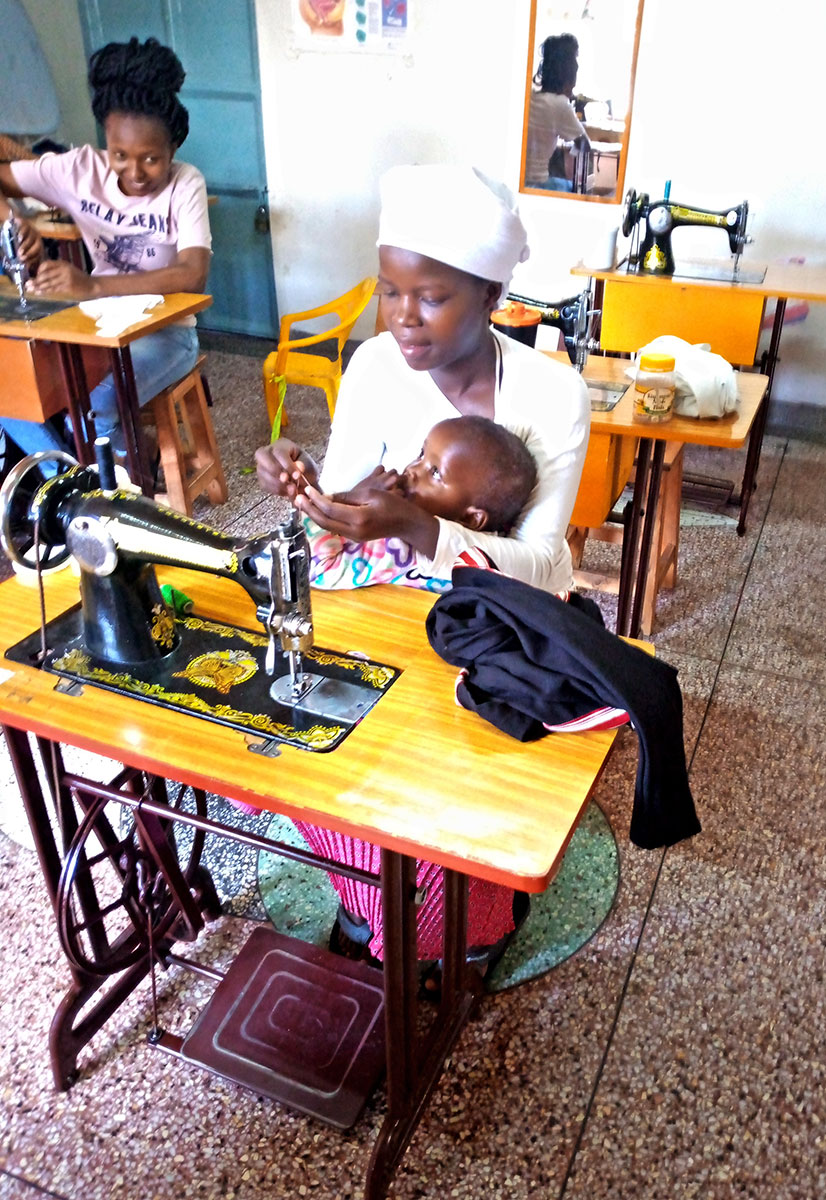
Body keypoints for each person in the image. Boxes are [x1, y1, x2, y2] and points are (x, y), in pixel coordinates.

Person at [255, 162, 590, 973]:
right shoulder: (374, 366)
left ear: (492, 297)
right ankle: (372, 889)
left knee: (455, 779)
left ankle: (463, 919)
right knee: (310, 733)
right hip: (389, 603)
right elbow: (342, 514)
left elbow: (542, 567)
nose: (403, 319)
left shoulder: (550, 393)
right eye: (389, 291)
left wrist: (420, 527)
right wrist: (304, 492)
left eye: (431, 297)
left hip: (506, 626)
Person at [0, 36, 211, 459]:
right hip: (95, 328)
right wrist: (12, 221)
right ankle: (68, 486)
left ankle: (134, 472)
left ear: (173, 148)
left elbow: (192, 273)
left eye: (150, 159)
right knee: (14, 394)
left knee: (89, 410)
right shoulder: (80, 169)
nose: (133, 172)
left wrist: (94, 287)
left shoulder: (186, 184)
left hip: (166, 335)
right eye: (119, 154)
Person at [302, 414, 538, 591]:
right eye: (421, 454)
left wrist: (332, 500)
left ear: (470, 518)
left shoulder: (400, 547)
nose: (413, 469)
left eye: (435, 473)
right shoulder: (496, 550)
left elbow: (318, 570)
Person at [524, 34, 590, 192]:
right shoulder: (560, 105)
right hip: (537, 183)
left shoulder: (530, 94)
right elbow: (584, 144)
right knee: (575, 188)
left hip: (520, 179)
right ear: (569, 72)